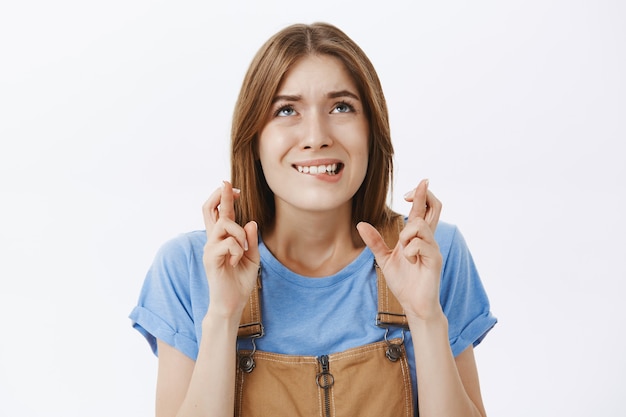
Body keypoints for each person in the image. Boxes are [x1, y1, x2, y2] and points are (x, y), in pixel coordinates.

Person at [130, 22, 497, 417]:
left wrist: (425, 317)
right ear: (253, 139)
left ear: (372, 131)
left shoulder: (430, 253)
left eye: (341, 107)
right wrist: (222, 316)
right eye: (286, 110)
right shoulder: (186, 266)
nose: (316, 135)